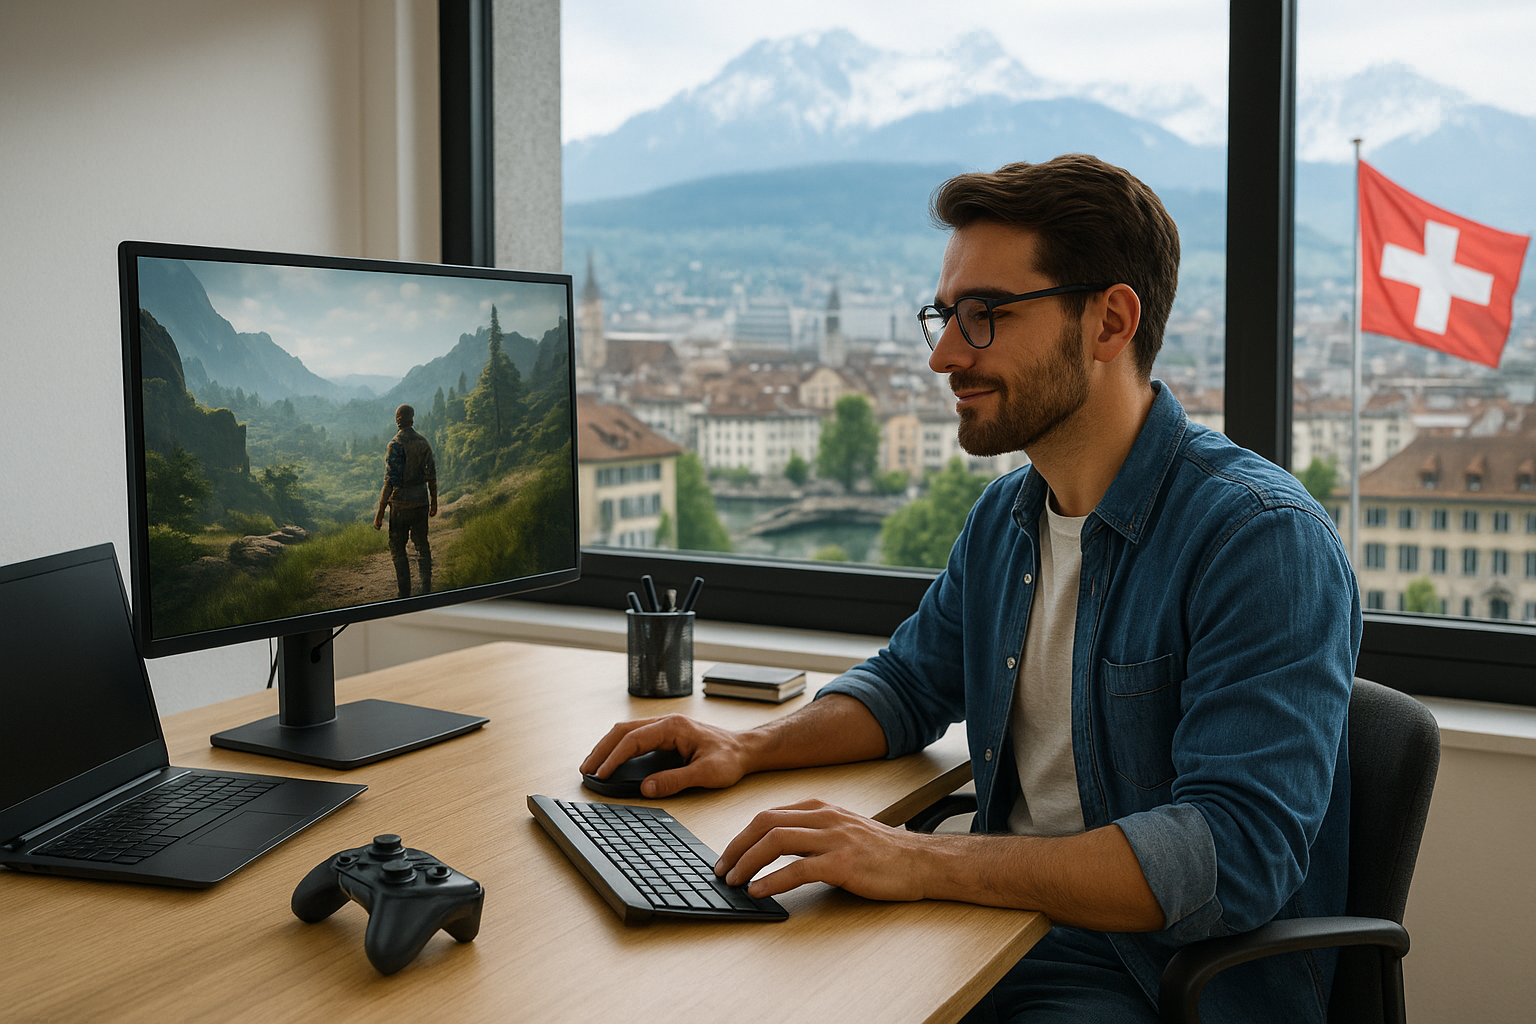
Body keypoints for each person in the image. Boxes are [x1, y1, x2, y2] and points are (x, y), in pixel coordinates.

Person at [582, 154, 1359, 1024]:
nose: (946, 355)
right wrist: (746, 746)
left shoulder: (1258, 540)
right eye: (945, 316)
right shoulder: (1007, 518)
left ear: (1109, 322)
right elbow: (908, 687)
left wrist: (919, 861)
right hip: (1003, 926)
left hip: (1156, 979)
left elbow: (1231, 856)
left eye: (984, 315)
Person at [373, 403, 438, 598]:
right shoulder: (423, 442)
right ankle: (426, 588)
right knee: (421, 545)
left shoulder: (394, 445)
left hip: (400, 505)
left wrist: (379, 514)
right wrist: (434, 502)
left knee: (398, 548)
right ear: (413, 419)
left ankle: (405, 593)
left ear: (399, 420)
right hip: (420, 502)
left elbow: (390, 481)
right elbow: (431, 476)